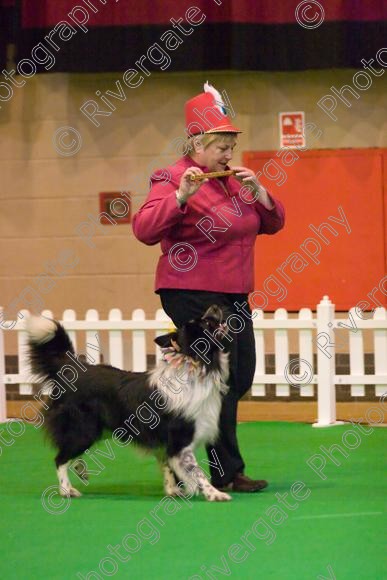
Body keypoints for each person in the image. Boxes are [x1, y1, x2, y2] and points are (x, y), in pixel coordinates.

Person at [132, 83, 285, 492]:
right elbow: (144, 229)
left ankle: (201, 461)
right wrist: (181, 197)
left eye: (230, 145)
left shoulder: (233, 181)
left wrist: (261, 194)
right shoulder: (172, 177)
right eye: (220, 146)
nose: (228, 153)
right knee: (218, 378)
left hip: (233, 294)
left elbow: (272, 224)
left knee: (238, 376)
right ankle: (224, 471)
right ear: (197, 144)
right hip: (191, 291)